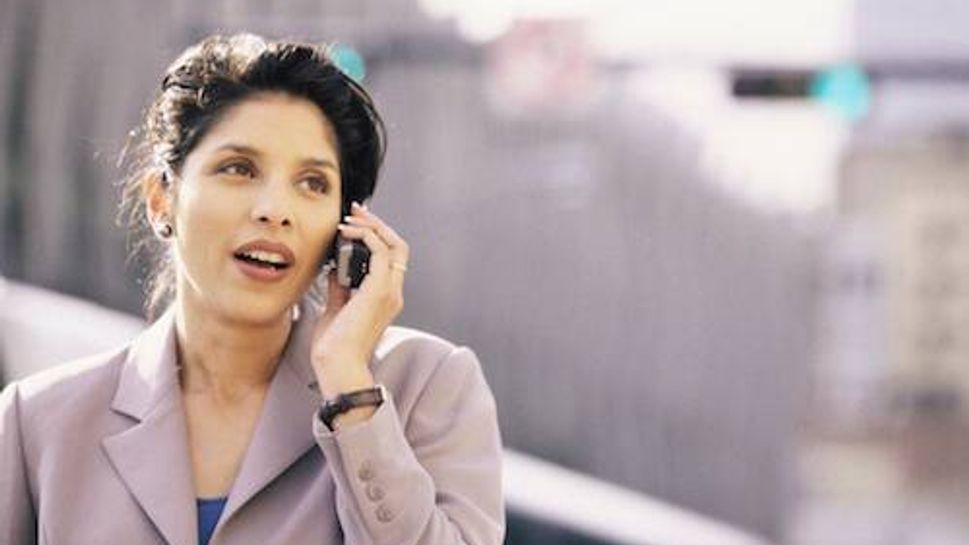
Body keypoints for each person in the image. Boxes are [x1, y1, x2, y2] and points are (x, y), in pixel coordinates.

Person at [0, 33, 504, 545]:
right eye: (238, 169)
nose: (274, 209)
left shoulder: (425, 386)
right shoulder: (38, 422)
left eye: (313, 183)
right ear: (161, 200)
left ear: (344, 229)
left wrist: (350, 394)